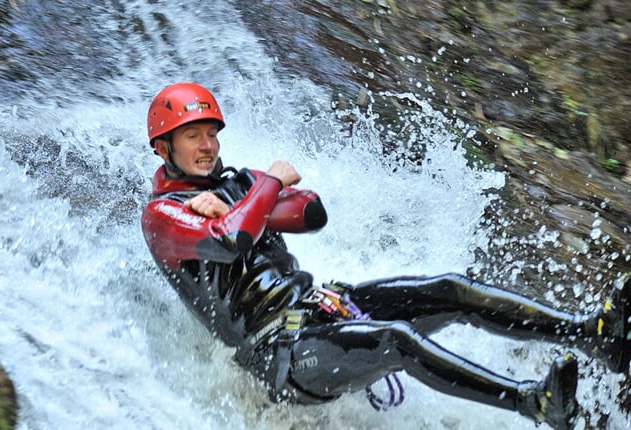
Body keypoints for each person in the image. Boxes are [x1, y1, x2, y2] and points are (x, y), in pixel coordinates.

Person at [140, 82, 631, 430]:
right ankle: (535, 403)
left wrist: (247, 200)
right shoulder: (163, 216)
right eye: (193, 136)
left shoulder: (236, 186)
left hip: (321, 309)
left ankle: (593, 333)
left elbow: (311, 213)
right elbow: (232, 241)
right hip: (280, 356)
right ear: (164, 147)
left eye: (212, 134)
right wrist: (264, 188)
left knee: (448, 289)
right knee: (397, 339)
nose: (208, 146)